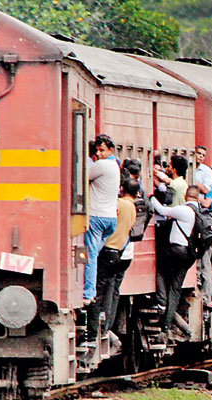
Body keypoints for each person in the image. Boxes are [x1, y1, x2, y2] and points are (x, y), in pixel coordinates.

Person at [84, 178, 138, 345]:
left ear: (121, 189)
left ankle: (92, 332)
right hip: (119, 253)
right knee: (111, 291)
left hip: (107, 251)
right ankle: (105, 326)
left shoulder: (119, 204)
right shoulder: (133, 207)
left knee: (97, 291)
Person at [151, 185, 201, 339]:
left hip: (175, 250)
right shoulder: (199, 213)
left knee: (160, 270)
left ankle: (161, 302)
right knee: (175, 289)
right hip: (189, 255)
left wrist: (150, 196)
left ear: (186, 196)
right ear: (198, 198)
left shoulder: (184, 210)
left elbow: (162, 210)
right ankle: (166, 324)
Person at [84, 135, 120, 303]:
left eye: (102, 150)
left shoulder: (101, 165)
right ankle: (91, 288)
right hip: (110, 219)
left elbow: (83, 176)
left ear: (111, 150)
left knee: (90, 256)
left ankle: (88, 292)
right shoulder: (115, 165)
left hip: (97, 217)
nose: (98, 153)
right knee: (94, 255)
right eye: (97, 150)